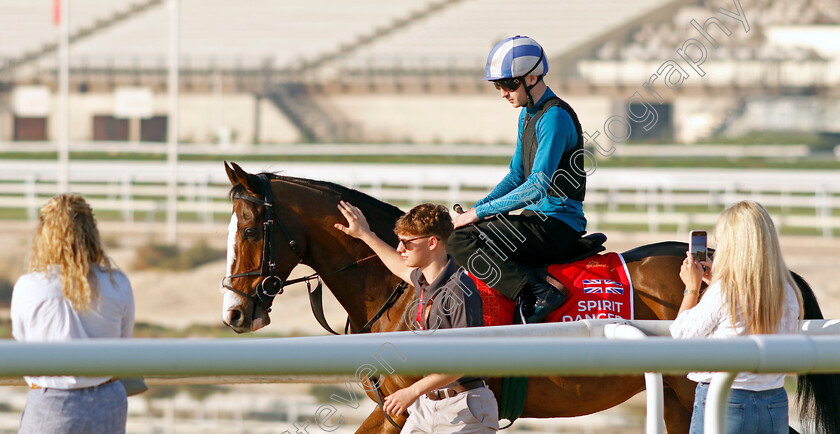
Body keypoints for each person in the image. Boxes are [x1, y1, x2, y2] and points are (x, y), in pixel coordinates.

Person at [449, 35, 587, 324]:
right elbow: (516, 176)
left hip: (557, 225)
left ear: (533, 78)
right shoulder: (527, 114)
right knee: (464, 229)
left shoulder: (555, 117)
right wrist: (477, 209)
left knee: (460, 240)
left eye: (509, 84)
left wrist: (476, 214)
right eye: (498, 85)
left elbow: (537, 186)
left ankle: (538, 292)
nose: (503, 92)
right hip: (538, 220)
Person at [335, 201, 498, 433]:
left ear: (432, 243)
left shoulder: (460, 289)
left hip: (464, 410)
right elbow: (397, 266)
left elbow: (466, 361)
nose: (400, 249)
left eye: (406, 243)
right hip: (425, 407)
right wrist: (366, 234)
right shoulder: (423, 281)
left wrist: (411, 391)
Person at [670, 200, 803, 433]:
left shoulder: (724, 291)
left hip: (724, 398)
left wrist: (692, 288)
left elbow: (680, 336)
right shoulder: (788, 291)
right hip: (774, 400)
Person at [11, 194, 135, 434]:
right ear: (92, 232)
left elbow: (22, 341)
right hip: (107, 401)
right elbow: (124, 343)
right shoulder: (118, 283)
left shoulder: (28, 285)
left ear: (44, 236)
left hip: (50, 401)